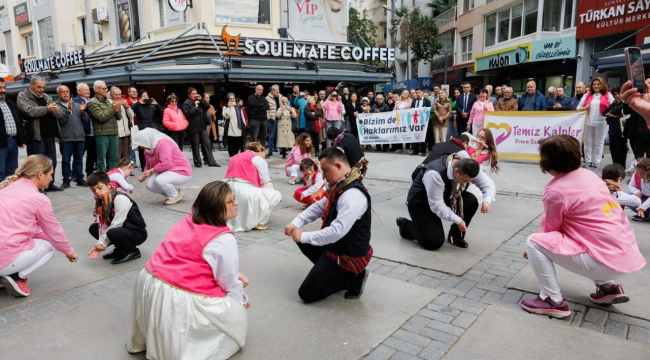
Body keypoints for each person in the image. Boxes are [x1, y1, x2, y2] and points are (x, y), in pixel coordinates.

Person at [520, 135, 645, 319]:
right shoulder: (590, 175)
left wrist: (535, 246)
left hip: (603, 260)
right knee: (582, 236)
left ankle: (552, 301)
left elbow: (550, 230)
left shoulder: (556, 191)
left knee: (533, 241)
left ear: (548, 162)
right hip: (626, 254)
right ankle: (608, 287)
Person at [128, 181, 249, 360]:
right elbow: (228, 281)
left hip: (149, 280)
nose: (236, 203)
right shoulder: (223, 238)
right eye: (230, 201)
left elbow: (191, 258)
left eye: (234, 199)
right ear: (215, 208)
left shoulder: (190, 219)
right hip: (176, 295)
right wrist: (241, 301)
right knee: (234, 314)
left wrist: (233, 276)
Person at [284, 147, 373, 303]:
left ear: (338, 166)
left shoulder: (352, 195)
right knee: (302, 239)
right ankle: (331, 274)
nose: (323, 176)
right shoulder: (341, 185)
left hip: (347, 254)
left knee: (306, 294)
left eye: (325, 170)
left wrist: (304, 235)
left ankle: (352, 277)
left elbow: (337, 231)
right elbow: (319, 207)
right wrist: (295, 222)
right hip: (336, 248)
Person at [0, 155, 79, 297]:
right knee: (51, 245)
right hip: (4, 258)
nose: (51, 178)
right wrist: (69, 252)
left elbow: (36, 230)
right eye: (51, 174)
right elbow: (54, 233)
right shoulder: (39, 199)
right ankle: (17, 277)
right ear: (40, 174)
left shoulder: (6, 187)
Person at [396, 153, 495, 250]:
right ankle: (405, 225)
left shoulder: (468, 164)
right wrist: (458, 220)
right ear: (456, 171)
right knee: (433, 242)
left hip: (446, 196)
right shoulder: (435, 174)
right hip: (421, 203)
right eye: (465, 180)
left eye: (470, 180)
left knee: (471, 201)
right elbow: (437, 206)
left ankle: (455, 236)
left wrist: (487, 200)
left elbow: (488, 184)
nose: (468, 183)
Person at [87, 171, 147, 264]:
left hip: (137, 233)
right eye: (93, 190)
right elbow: (103, 224)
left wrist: (102, 244)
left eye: (99, 188)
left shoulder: (120, 198)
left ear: (109, 185)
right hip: (121, 229)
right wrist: (99, 244)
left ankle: (132, 251)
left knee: (113, 231)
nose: (97, 192)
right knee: (94, 228)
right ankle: (120, 249)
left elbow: (116, 223)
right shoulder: (102, 200)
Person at [17, 76, 63, 191]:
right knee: (37, 164)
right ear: (31, 85)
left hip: (49, 135)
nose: (41, 89)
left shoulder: (47, 96)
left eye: (43, 87)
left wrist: (56, 110)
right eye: (39, 87)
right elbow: (28, 111)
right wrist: (47, 109)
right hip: (35, 136)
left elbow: (59, 112)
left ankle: (49, 185)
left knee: (51, 162)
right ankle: (36, 188)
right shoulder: (23, 95)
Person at [223, 142, 282, 231]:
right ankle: (256, 221)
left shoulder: (235, 156)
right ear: (260, 150)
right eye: (264, 153)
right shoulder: (257, 158)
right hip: (244, 188)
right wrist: (271, 192)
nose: (264, 156)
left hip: (227, 187)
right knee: (274, 195)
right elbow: (265, 180)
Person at [133, 128, 193, 205]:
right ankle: (174, 192)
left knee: (160, 180)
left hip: (181, 170)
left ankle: (174, 196)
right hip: (165, 170)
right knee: (150, 185)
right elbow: (148, 164)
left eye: (143, 144)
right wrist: (144, 175)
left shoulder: (163, 143)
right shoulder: (148, 148)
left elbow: (166, 163)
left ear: (148, 140)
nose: (142, 147)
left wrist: (151, 171)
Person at [577, 77, 614, 169]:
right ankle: (588, 160)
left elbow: (613, 107)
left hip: (602, 122)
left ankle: (596, 161)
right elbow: (578, 107)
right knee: (587, 142)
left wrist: (608, 114)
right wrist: (585, 108)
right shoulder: (587, 95)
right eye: (594, 84)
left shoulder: (608, 95)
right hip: (588, 122)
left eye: (598, 84)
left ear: (602, 85)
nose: (596, 86)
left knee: (599, 142)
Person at [55, 85, 88, 188]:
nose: (65, 94)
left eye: (67, 92)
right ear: (58, 94)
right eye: (62, 92)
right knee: (66, 160)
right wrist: (68, 111)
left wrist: (83, 112)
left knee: (79, 160)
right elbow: (61, 121)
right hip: (66, 138)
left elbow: (86, 120)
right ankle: (66, 180)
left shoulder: (77, 105)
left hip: (79, 137)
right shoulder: (56, 106)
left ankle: (79, 179)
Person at [88, 80, 122, 172]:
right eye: (104, 88)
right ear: (96, 89)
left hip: (113, 132)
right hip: (102, 134)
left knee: (114, 158)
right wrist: (112, 108)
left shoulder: (108, 101)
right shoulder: (92, 102)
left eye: (106, 88)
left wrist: (117, 108)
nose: (106, 90)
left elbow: (119, 117)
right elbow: (101, 117)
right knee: (101, 159)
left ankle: (113, 177)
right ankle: (102, 178)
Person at [183, 87, 219, 168]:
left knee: (207, 143)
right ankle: (197, 162)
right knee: (195, 145)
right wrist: (195, 107)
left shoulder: (199, 101)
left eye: (196, 93)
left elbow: (207, 106)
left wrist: (201, 100)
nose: (195, 95)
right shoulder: (186, 104)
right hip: (193, 127)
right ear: (189, 95)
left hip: (202, 126)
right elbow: (188, 114)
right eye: (193, 94)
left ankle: (211, 162)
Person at [0, 78, 25, 182]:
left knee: (12, 172)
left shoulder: (10, 104)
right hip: (1, 143)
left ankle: (10, 195)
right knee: (0, 172)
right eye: (0, 88)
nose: (3, 90)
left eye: (4, 87)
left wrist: (21, 139)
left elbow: (18, 122)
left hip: (13, 142)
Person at [74, 83, 96, 179]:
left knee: (92, 155)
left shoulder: (92, 101)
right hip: (82, 132)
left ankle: (89, 173)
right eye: (85, 90)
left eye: (88, 90)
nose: (88, 91)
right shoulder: (75, 101)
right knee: (79, 155)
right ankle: (75, 173)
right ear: (79, 91)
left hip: (93, 132)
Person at [603, 86, 627, 167]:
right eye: (615, 94)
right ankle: (615, 165)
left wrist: (612, 114)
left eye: (618, 94)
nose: (616, 96)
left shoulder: (624, 103)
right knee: (613, 149)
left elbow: (619, 111)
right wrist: (612, 114)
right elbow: (605, 112)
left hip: (621, 131)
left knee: (620, 150)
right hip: (612, 130)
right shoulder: (614, 103)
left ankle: (621, 166)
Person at [109, 87, 134, 165]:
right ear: (110, 95)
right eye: (116, 94)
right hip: (116, 133)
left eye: (120, 94)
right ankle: (117, 172)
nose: (118, 96)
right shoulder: (109, 103)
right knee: (117, 156)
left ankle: (126, 171)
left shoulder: (124, 103)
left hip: (126, 132)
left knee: (126, 155)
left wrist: (127, 106)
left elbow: (132, 115)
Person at [222, 93, 248, 157]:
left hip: (238, 129)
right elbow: (227, 116)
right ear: (228, 99)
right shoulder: (225, 107)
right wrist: (229, 107)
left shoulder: (238, 107)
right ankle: (232, 157)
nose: (232, 100)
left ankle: (235, 157)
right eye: (230, 98)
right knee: (231, 145)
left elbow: (242, 117)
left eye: (233, 98)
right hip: (231, 129)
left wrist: (244, 125)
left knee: (237, 145)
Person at [411, 88, 432, 155]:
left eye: (419, 92)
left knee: (424, 136)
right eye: (416, 92)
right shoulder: (414, 101)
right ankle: (415, 150)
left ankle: (423, 151)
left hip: (423, 121)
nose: (417, 94)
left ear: (422, 92)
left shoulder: (427, 101)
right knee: (415, 135)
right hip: (416, 121)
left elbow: (429, 110)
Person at [266, 85, 282, 157]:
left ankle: (282, 150)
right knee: (271, 136)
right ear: (272, 91)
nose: (277, 91)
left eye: (278, 90)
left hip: (281, 118)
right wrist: (269, 117)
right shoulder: (267, 98)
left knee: (281, 135)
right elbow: (266, 110)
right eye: (276, 90)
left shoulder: (281, 97)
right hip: (272, 119)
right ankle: (270, 150)